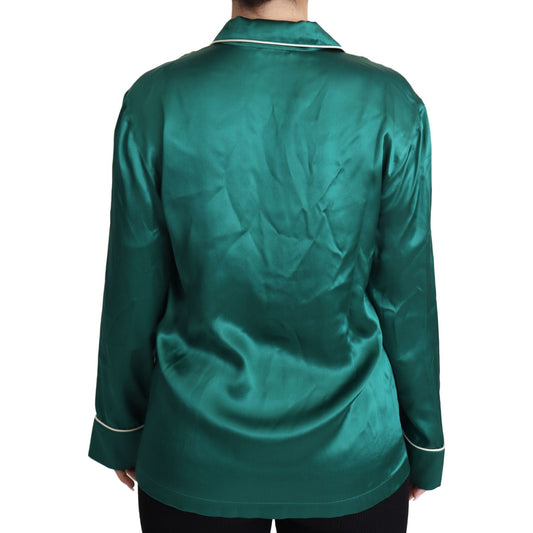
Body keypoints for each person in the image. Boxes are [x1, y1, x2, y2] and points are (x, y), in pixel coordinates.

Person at [88, 0, 445, 531]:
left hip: (194, 452)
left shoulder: (154, 101)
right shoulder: (392, 104)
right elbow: (405, 299)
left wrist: (121, 428)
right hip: (351, 453)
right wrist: (424, 442)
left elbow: (133, 291)